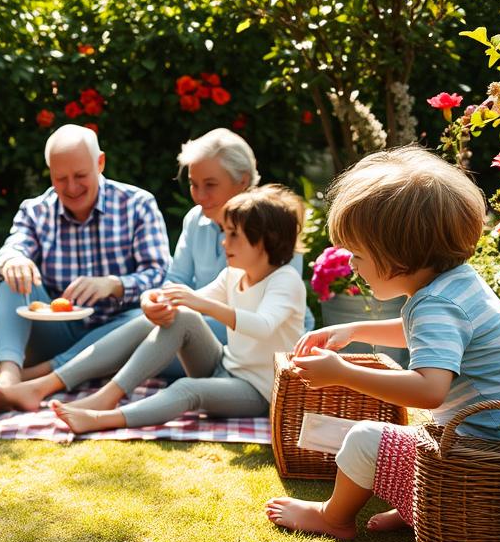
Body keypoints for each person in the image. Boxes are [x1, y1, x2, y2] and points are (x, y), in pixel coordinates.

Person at [265, 147, 500, 539]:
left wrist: (343, 373)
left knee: (363, 440)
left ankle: (335, 516)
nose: (352, 266)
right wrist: (356, 331)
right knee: (418, 434)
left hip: (488, 462)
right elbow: (426, 334)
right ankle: (418, 504)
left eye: (358, 255)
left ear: (399, 256)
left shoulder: (435, 303)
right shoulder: (455, 284)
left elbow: (431, 391)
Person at [0, 127, 313, 410]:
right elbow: (173, 281)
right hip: (189, 340)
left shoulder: (273, 228)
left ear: (242, 182)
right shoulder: (196, 220)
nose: (198, 195)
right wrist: (160, 301)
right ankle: (23, 378)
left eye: (209, 184)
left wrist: (138, 292)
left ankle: (42, 378)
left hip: (245, 349)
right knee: (150, 314)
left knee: (152, 320)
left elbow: (257, 320)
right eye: (194, 184)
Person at [49, 185, 307, 432]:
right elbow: (187, 299)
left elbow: (262, 326)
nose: (223, 242)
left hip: (260, 390)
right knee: (182, 317)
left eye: (233, 234)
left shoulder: (285, 280)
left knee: (187, 388)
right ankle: (108, 396)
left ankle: (101, 419)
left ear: (264, 241)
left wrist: (201, 303)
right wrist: (152, 299)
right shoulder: (234, 274)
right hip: (224, 365)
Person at [0, 124, 170, 407]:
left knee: (145, 319)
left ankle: (37, 377)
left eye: (80, 176)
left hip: (116, 336)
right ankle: (8, 378)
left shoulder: (138, 204)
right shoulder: (35, 210)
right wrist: (13, 260)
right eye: (60, 178)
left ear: (100, 163)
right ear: (50, 172)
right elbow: (12, 248)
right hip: (55, 334)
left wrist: (114, 284)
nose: (72, 188)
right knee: (14, 275)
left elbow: (160, 276)